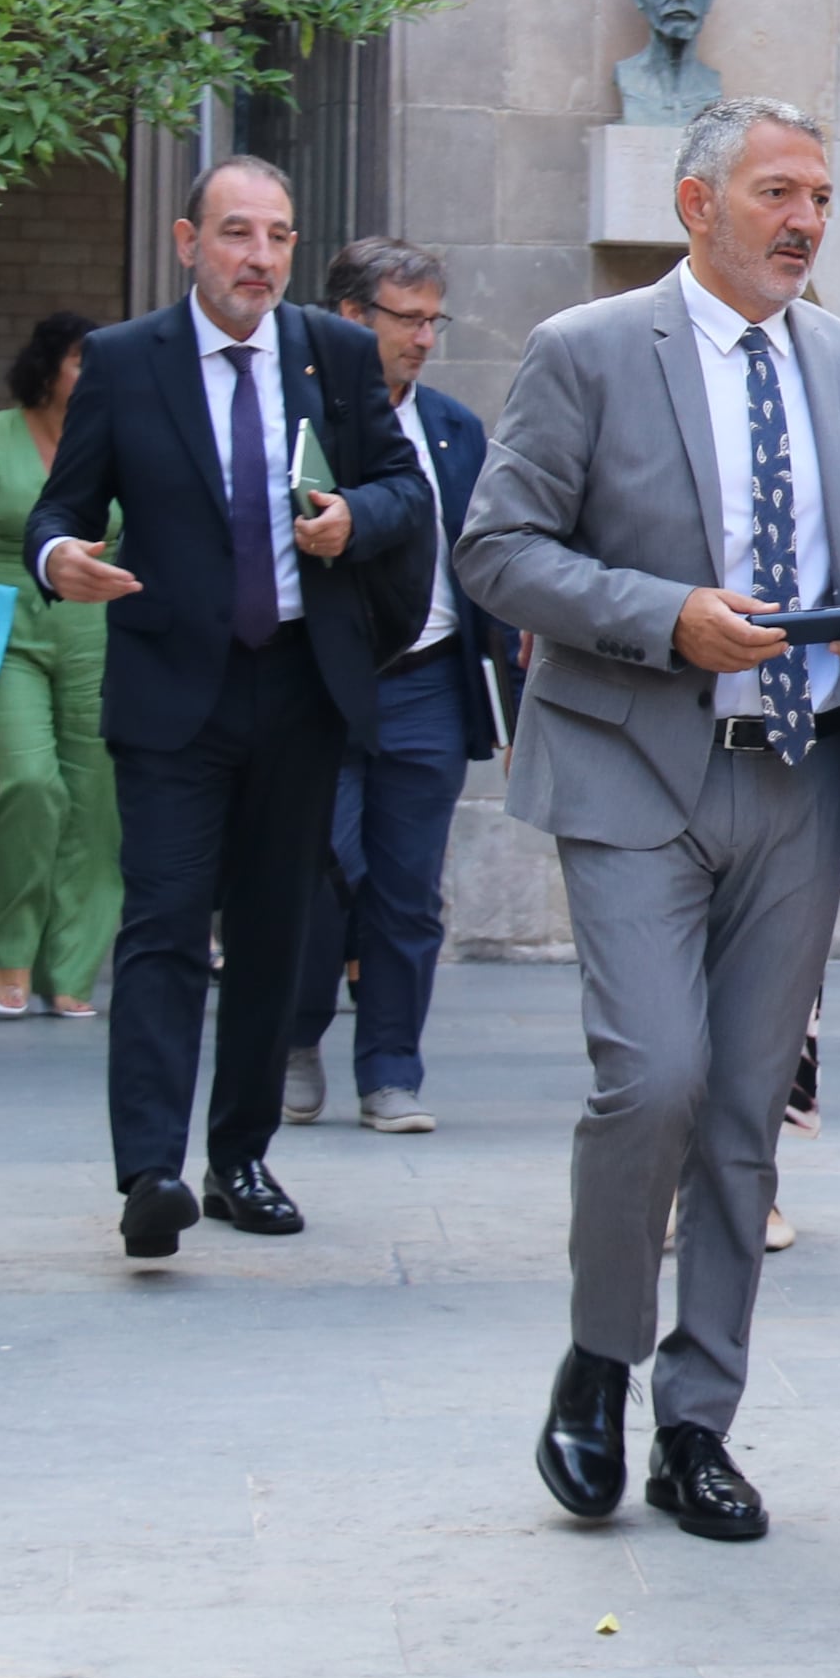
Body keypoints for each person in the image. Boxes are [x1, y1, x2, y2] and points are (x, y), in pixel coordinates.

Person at [455, 95, 840, 1546]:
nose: (804, 223)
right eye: (778, 193)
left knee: (742, 1113)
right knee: (651, 1080)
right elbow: (498, 550)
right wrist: (663, 620)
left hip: (800, 778)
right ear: (694, 202)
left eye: (822, 199)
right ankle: (599, 1360)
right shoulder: (587, 352)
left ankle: (697, 1422)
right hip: (633, 768)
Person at [29, 160, 431, 1261]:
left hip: (299, 684)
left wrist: (355, 514)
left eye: (279, 237)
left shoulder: (335, 352)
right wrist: (61, 556)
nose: (259, 257)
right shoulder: (122, 362)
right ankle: (151, 1170)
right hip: (173, 690)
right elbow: (63, 506)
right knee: (161, 927)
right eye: (237, 233)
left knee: (273, 933)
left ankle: (241, 1156)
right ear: (187, 240)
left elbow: (403, 487)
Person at [284, 238, 507, 1135]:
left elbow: (483, 551)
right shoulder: (302, 418)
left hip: (429, 681)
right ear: (350, 319)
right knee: (321, 869)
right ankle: (295, 1037)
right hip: (323, 683)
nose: (423, 339)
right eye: (406, 320)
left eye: (433, 320)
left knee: (408, 889)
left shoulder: (455, 429)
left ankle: (390, 1070)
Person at [0, 317, 121, 1020]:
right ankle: (13, 950)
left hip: (96, 625)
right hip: (6, 623)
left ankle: (71, 967)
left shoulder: (116, 435)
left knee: (96, 801)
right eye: (79, 363)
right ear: (47, 368)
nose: (91, 376)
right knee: (32, 785)